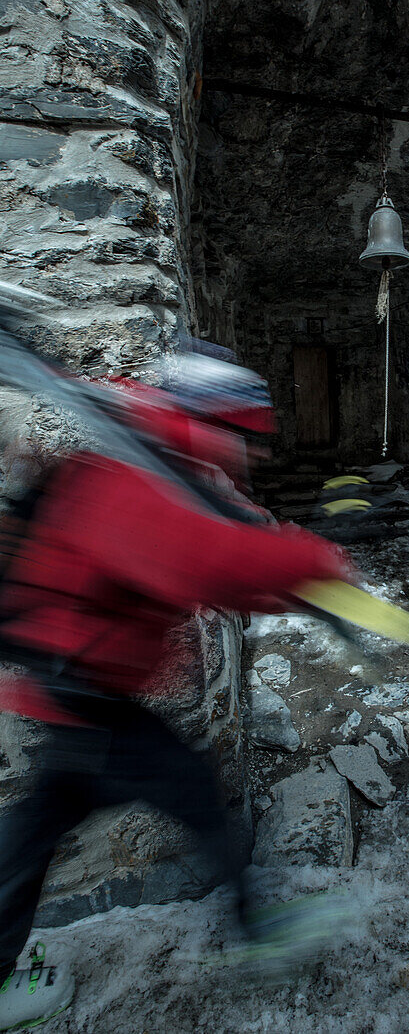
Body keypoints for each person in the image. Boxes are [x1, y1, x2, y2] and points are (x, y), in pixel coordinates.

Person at [0, 345, 354, 1031]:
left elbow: (219, 536)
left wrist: (282, 563)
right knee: (189, 793)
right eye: (244, 436)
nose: (250, 455)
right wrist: (313, 564)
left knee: (35, 834)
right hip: (84, 696)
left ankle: (255, 924)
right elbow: (198, 561)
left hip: (78, 688)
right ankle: (262, 931)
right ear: (214, 423)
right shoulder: (135, 475)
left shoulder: (154, 458)